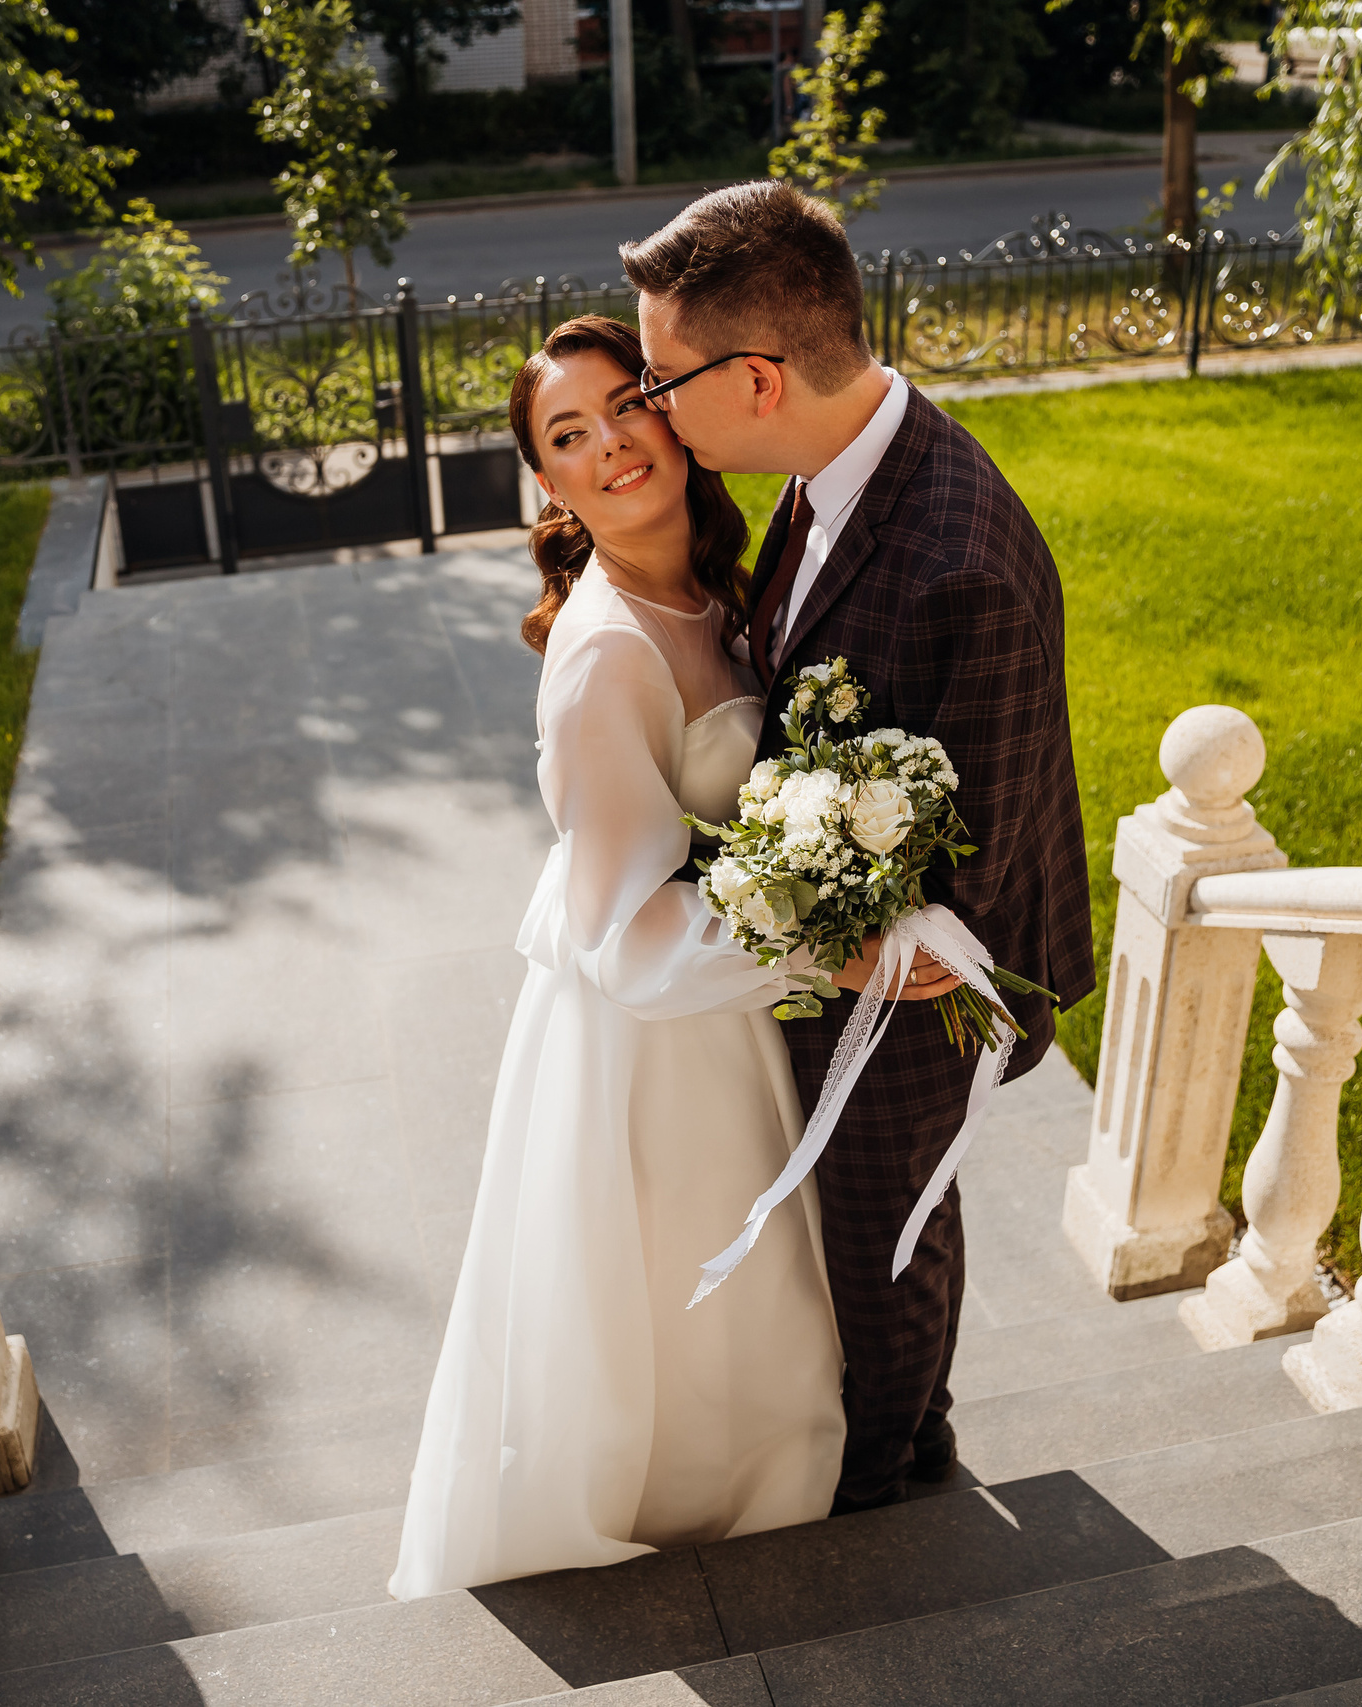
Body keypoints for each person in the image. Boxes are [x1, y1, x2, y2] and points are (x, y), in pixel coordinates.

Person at [620, 180, 1097, 1515]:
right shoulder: (834, 467)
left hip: (915, 980)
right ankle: (901, 1429)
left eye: (662, 381)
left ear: (758, 377)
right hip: (838, 933)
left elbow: (972, 888)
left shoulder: (961, 560)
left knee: (883, 1219)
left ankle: (891, 1467)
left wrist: (808, 934)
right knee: (870, 1213)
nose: (651, 409)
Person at [392, 315, 881, 1597]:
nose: (609, 444)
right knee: (697, 1294)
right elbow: (622, 929)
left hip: (724, 1002)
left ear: (674, 409)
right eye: (568, 436)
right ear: (546, 484)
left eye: (625, 406)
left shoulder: (720, 580)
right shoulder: (604, 654)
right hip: (657, 1041)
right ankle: (711, 1526)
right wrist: (831, 950)